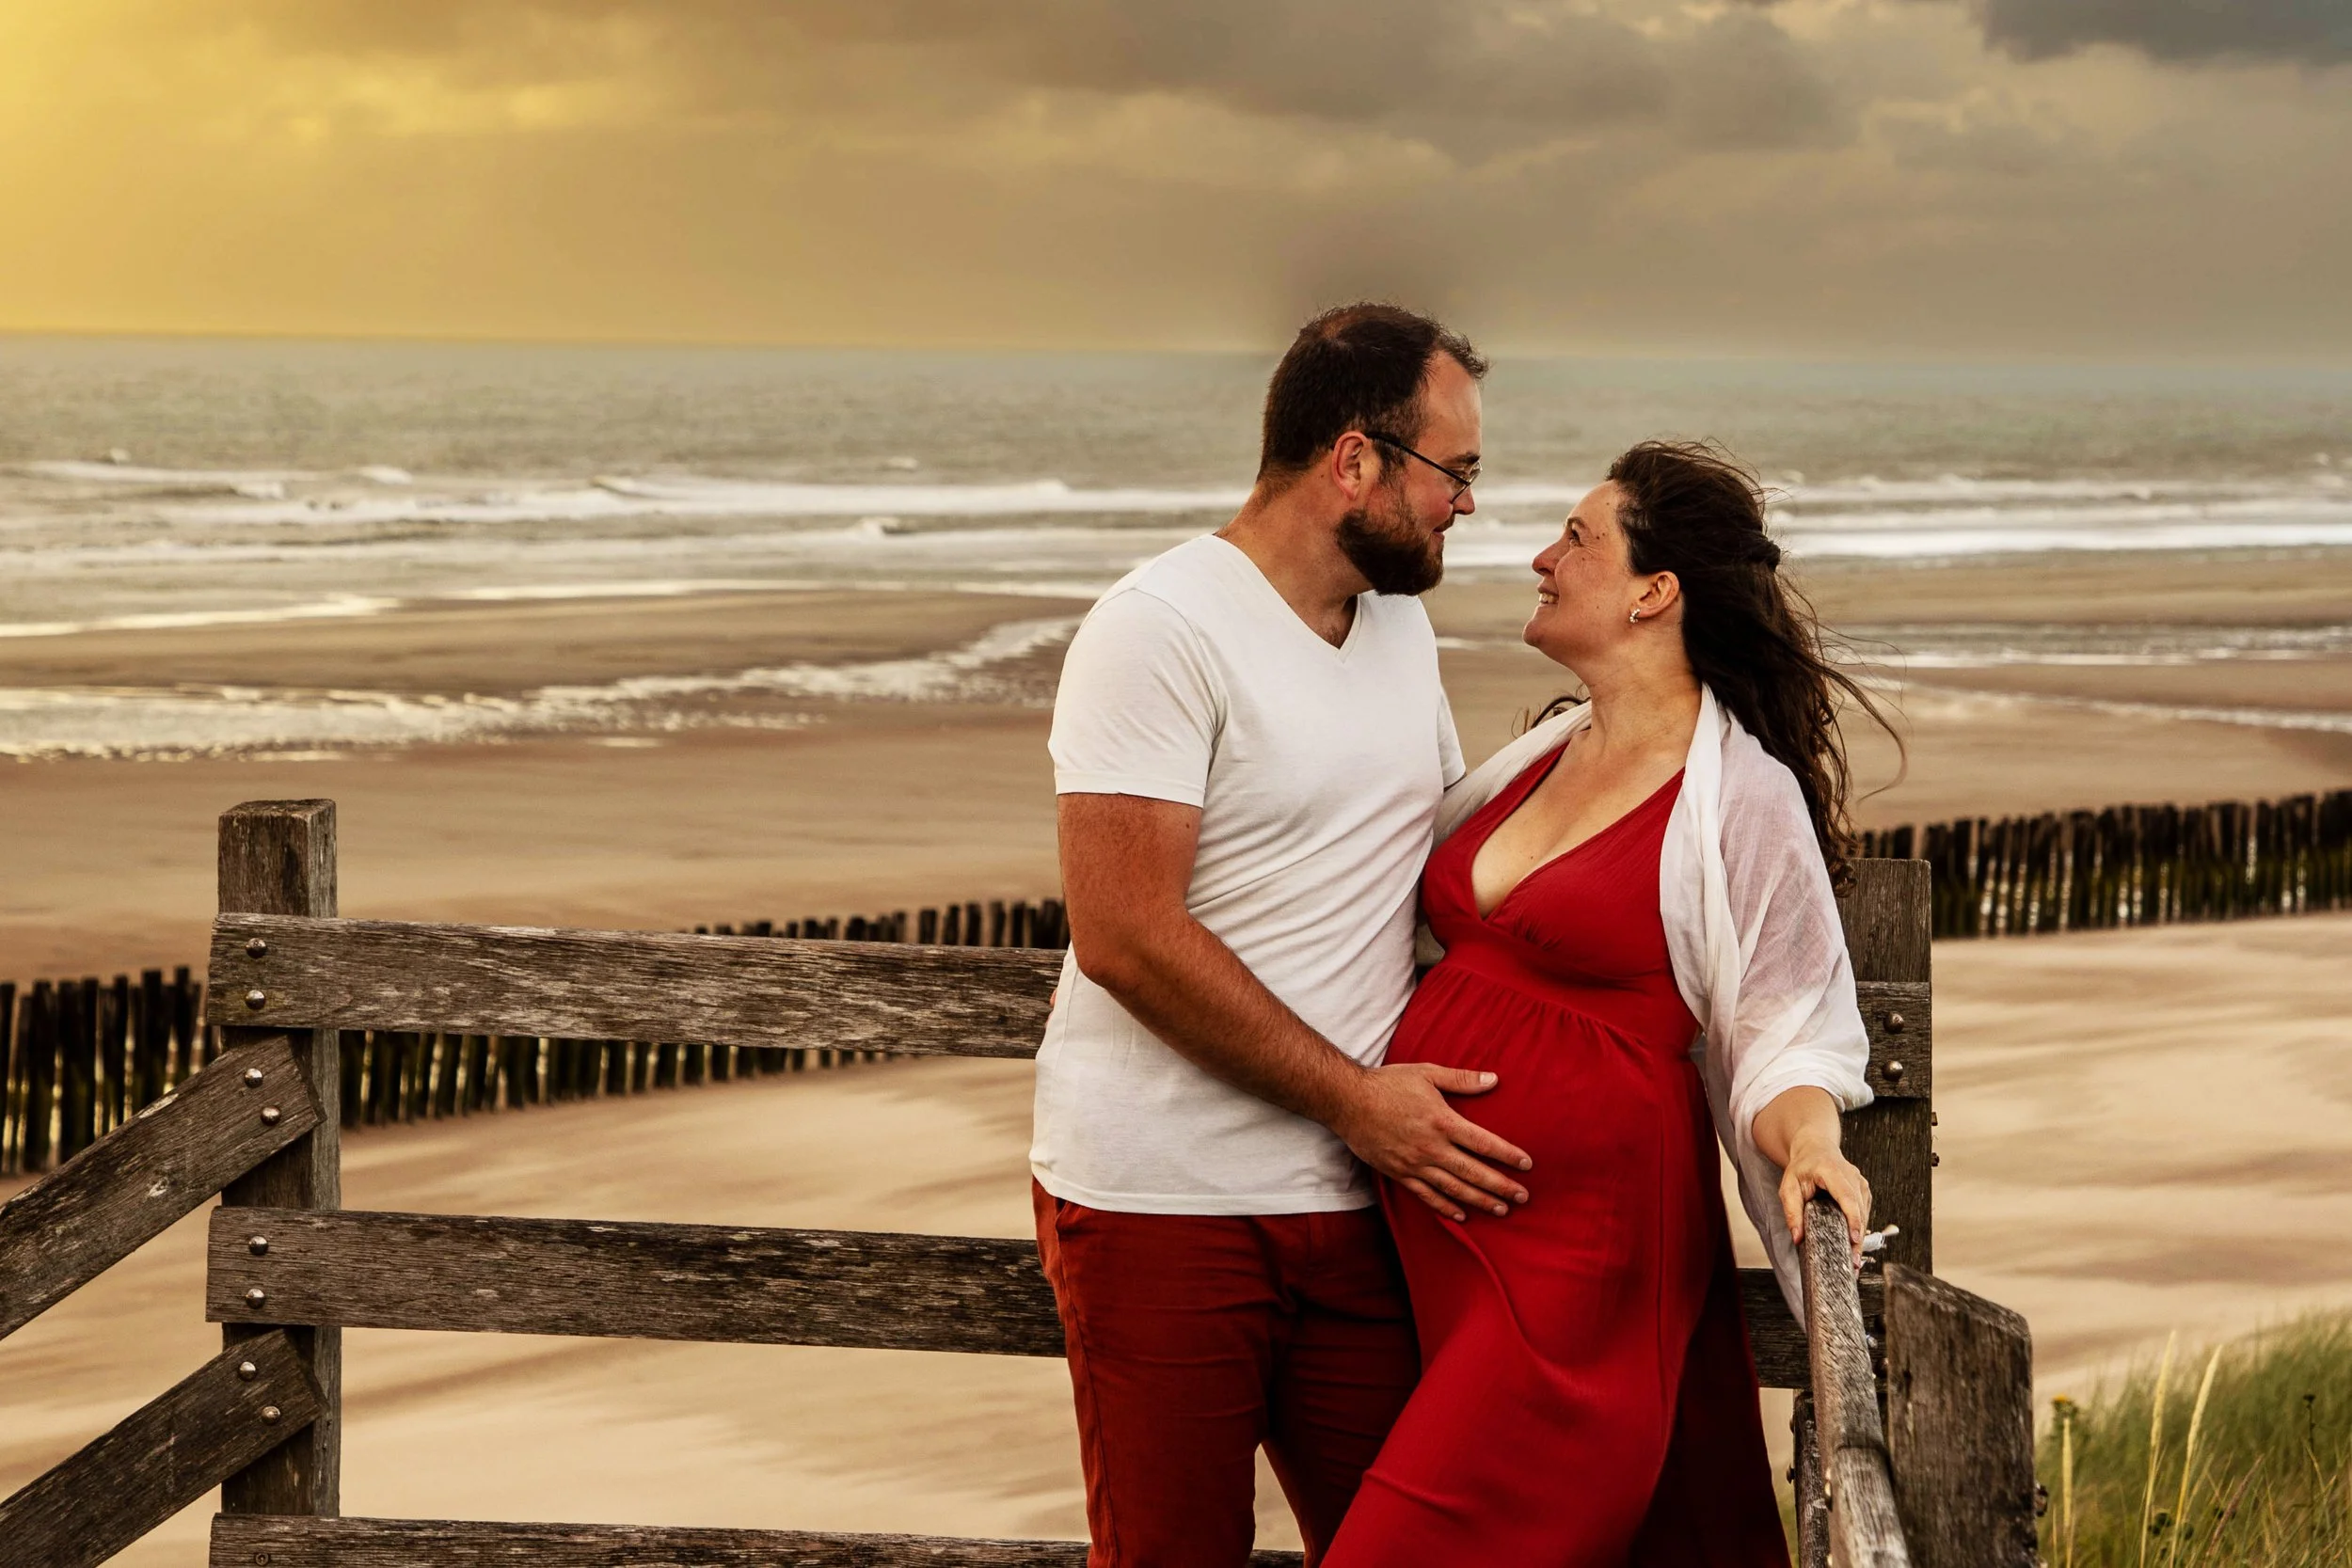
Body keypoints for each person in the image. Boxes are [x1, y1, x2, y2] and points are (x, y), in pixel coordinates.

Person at [1032, 303, 1536, 1568]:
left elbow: (1439, 863)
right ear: (1355, 459)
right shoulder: (1160, 627)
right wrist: (1357, 1099)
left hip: (1356, 1202)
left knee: (1411, 1547)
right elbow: (1125, 934)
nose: (1468, 505)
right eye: (1455, 472)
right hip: (1165, 1201)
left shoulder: (1398, 624)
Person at [1323, 440, 1885, 1568]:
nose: (1540, 556)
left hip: (1579, 1271)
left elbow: (1783, 1025)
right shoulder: (1538, 754)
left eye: (1576, 537)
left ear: (1652, 590)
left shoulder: (1741, 796)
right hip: (1448, 1258)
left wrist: (1812, 1142)